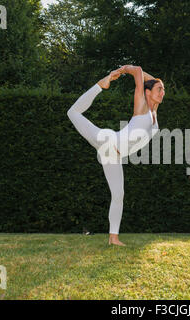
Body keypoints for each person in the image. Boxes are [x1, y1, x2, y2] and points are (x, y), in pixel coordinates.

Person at [67, 65, 165, 246]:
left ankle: (113, 238)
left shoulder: (154, 113)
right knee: (72, 112)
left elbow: (155, 80)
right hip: (107, 141)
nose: (163, 92)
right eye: (159, 90)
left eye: (163, 90)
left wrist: (156, 82)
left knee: (118, 194)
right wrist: (123, 70)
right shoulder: (141, 104)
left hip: (114, 156)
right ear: (147, 92)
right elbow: (138, 70)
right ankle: (100, 85)